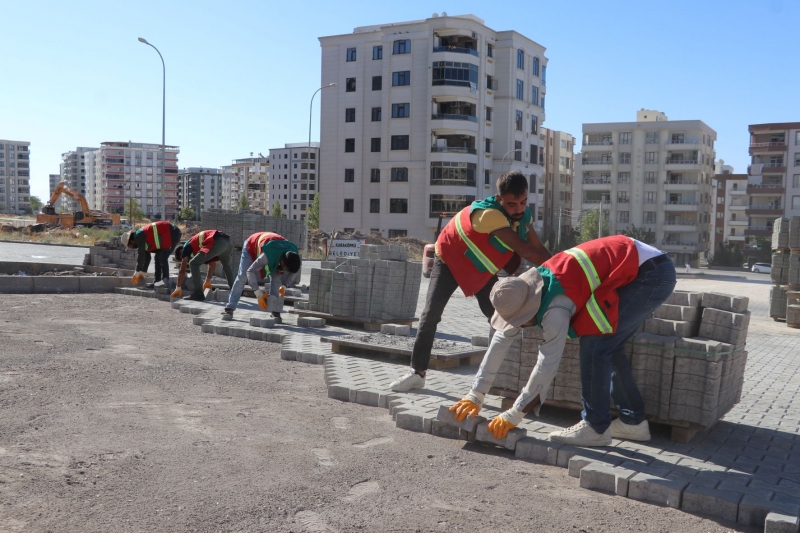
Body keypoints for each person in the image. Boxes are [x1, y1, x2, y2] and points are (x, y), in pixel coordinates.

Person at [449, 235, 676, 446]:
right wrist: (476, 393)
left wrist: (516, 412)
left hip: (649, 275)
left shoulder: (555, 308)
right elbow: (501, 340)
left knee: (595, 345)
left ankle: (595, 428)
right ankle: (632, 423)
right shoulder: (524, 289)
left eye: (520, 321)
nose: (517, 327)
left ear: (530, 311)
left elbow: (548, 362)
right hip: (641, 264)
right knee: (609, 347)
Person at [389, 171, 552, 392]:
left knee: (502, 317)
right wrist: (564, 266)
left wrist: (559, 265)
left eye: (523, 202)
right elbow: (524, 249)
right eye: (512, 204)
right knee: (430, 315)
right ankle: (417, 373)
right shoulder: (489, 215)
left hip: (479, 268)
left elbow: (538, 247)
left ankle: (508, 377)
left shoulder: (523, 215)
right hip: (450, 260)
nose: (519, 209)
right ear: (499, 199)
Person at [221, 232, 301, 323]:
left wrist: (285, 285)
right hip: (251, 246)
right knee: (242, 276)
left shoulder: (294, 257)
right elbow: (250, 271)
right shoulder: (267, 256)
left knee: (276, 280)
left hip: (275, 246)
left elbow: (293, 273)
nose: (286, 271)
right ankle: (229, 308)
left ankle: (275, 311)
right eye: (286, 269)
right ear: (282, 262)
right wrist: (258, 293)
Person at [170, 229, 235, 301]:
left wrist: (178, 287)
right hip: (228, 243)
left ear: (181, 251)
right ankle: (235, 293)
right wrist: (208, 280)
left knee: (193, 263)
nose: (184, 258)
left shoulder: (186, 248)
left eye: (182, 257)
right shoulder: (197, 245)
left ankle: (198, 294)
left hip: (218, 242)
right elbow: (212, 264)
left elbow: (182, 270)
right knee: (226, 266)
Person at [122, 221, 182, 289]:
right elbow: (147, 258)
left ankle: (165, 281)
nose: (132, 248)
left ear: (131, 241)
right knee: (157, 258)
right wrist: (143, 272)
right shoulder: (142, 238)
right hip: (166, 237)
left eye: (130, 246)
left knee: (162, 258)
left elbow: (141, 255)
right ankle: (157, 282)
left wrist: (137, 271)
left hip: (173, 233)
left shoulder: (139, 236)